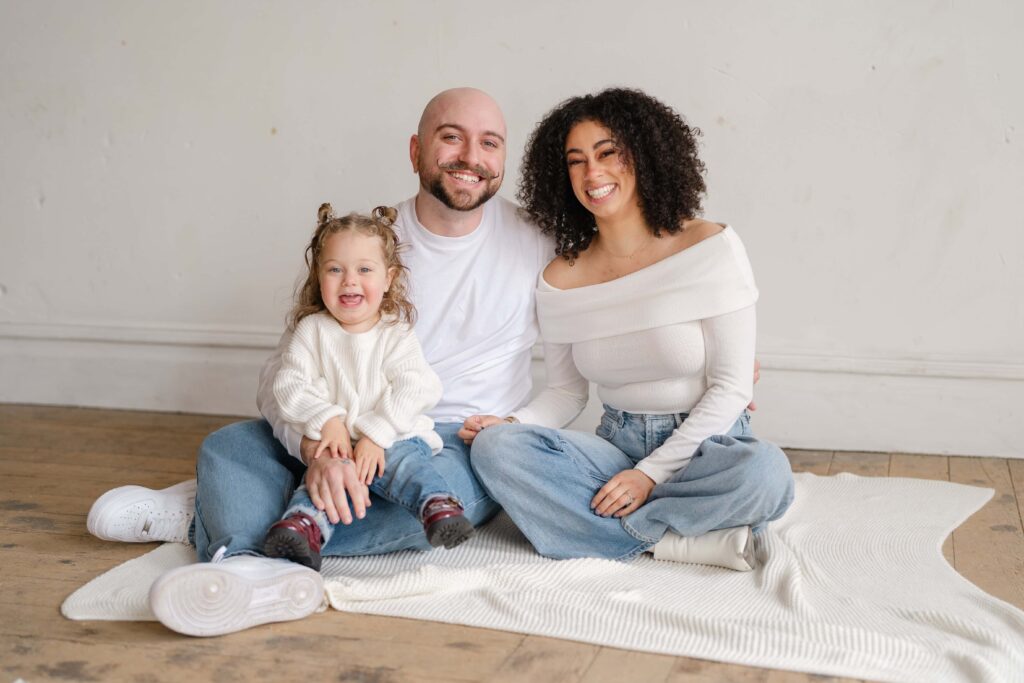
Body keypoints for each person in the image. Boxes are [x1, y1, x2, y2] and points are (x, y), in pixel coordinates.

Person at [88, 87, 554, 636]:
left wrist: (516, 431)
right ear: (416, 150)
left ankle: (221, 532)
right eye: (451, 137)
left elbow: (569, 382)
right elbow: (278, 379)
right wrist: (313, 447)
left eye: (489, 143)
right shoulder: (363, 246)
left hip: (447, 439)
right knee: (230, 444)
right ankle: (250, 549)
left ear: (503, 157)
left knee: (428, 503)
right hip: (336, 422)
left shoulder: (538, 240)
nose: (470, 157)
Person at [463, 88, 794, 568]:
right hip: (617, 447)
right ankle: (672, 541)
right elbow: (565, 393)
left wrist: (651, 476)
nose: (592, 173)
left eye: (607, 153)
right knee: (496, 449)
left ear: (643, 155)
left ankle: (610, 532)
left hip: (708, 445)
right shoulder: (561, 277)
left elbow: (731, 388)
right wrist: (512, 424)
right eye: (576, 161)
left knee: (767, 475)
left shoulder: (708, 246)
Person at [264, 203, 475, 573]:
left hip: (394, 436)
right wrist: (326, 419)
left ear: (389, 277)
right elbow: (289, 384)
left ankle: (437, 505)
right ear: (318, 275)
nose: (349, 281)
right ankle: (302, 527)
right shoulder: (312, 330)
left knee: (403, 464)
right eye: (335, 269)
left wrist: (377, 434)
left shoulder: (394, 332)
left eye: (364, 269)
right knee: (328, 477)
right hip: (339, 443)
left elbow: (417, 386)